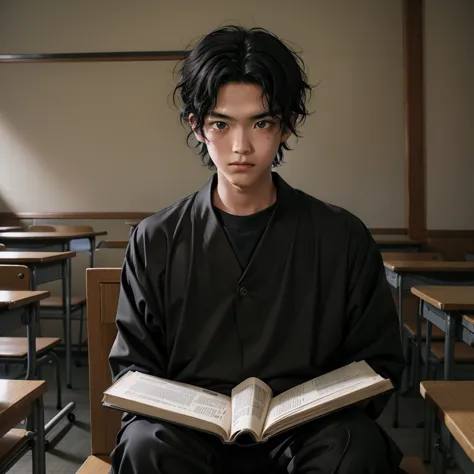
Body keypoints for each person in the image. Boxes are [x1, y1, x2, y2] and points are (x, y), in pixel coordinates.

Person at [108, 25, 406, 474]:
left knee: (353, 445)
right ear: (197, 125)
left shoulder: (342, 236)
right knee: (144, 444)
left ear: (288, 124)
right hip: (188, 441)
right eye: (221, 124)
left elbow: (378, 360)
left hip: (309, 436)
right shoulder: (155, 239)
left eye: (261, 122)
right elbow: (133, 369)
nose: (240, 146)